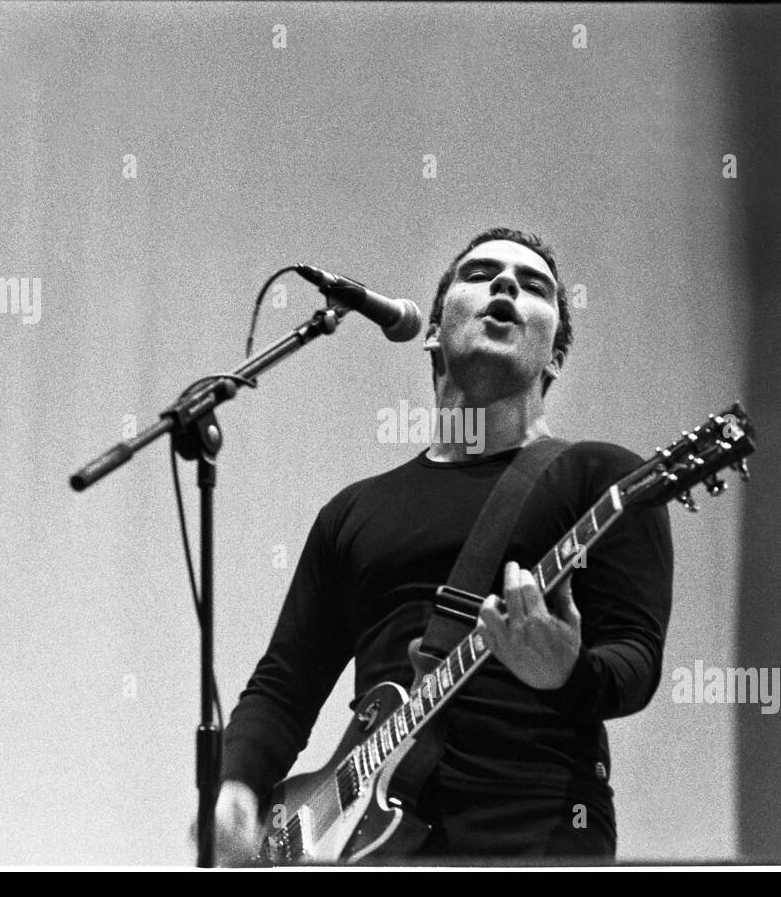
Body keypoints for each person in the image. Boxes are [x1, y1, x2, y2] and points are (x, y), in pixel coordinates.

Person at [215, 227, 673, 863]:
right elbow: (286, 685)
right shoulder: (355, 511)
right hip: (366, 845)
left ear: (556, 356)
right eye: (481, 274)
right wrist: (236, 785)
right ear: (432, 331)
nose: (507, 285)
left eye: (533, 285)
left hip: (531, 831)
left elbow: (636, 661)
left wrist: (564, 672)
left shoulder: (600, 478)